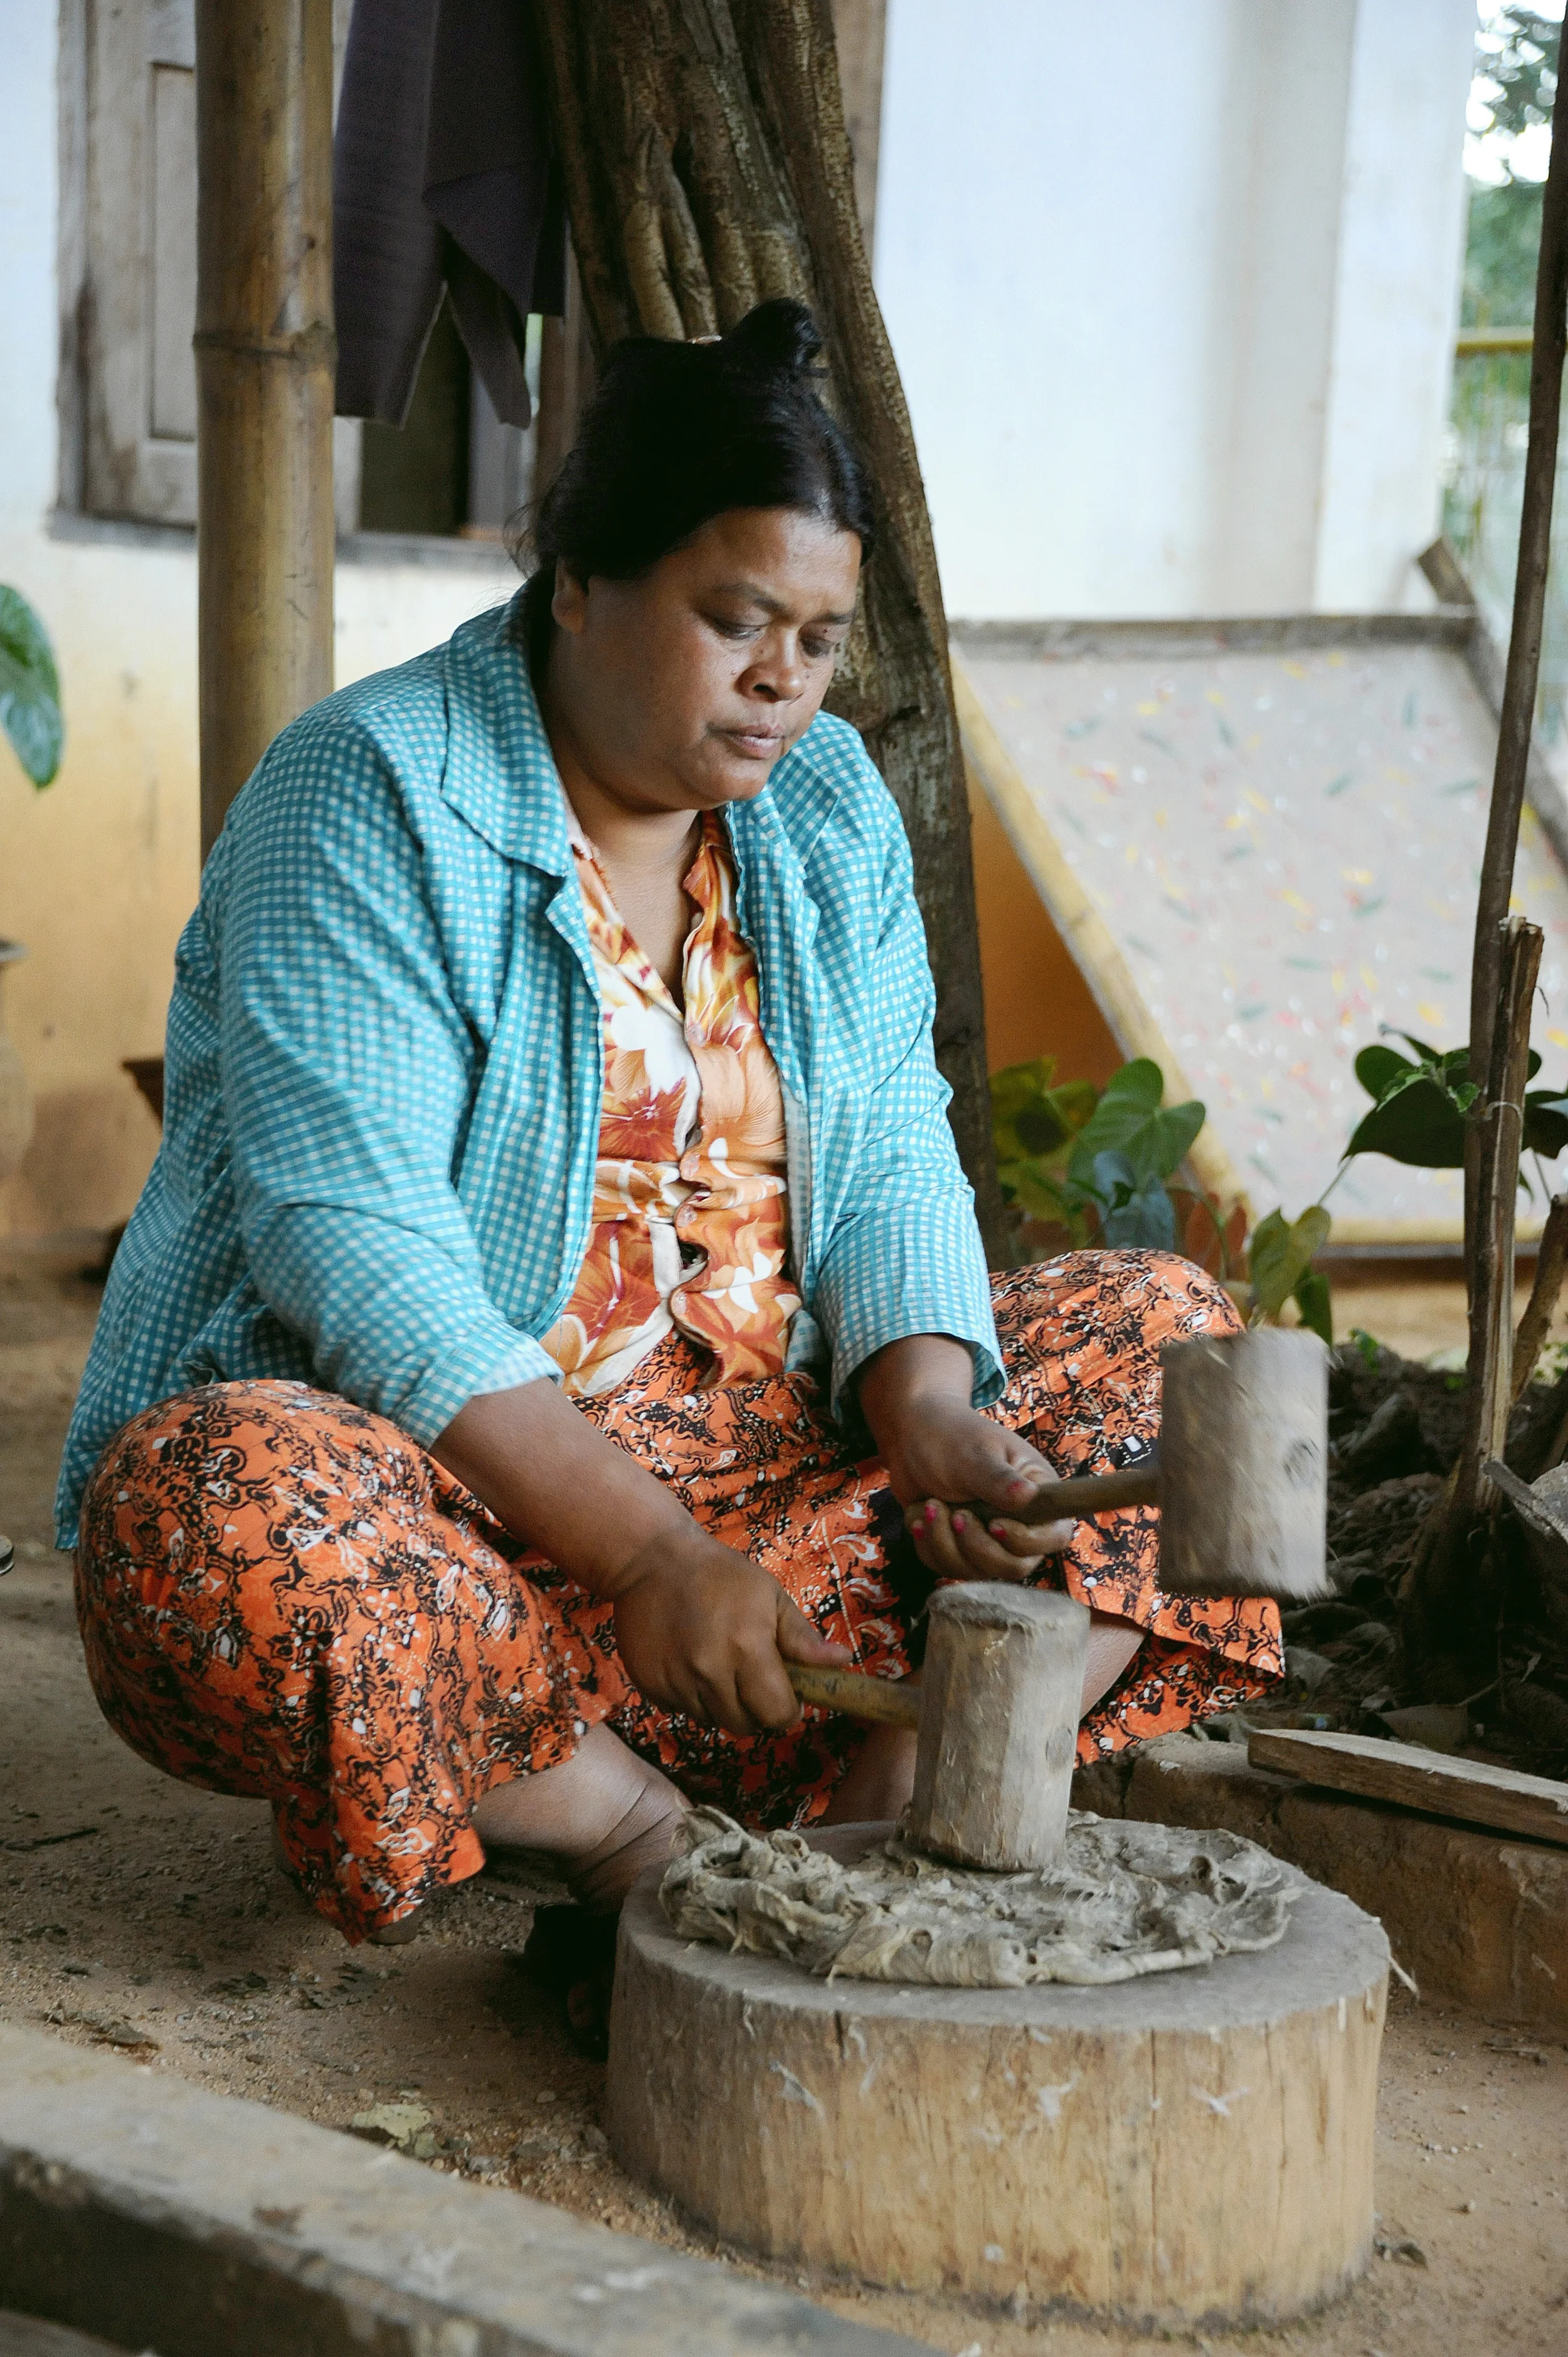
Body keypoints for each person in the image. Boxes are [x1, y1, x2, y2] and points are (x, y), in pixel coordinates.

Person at [58, 301, 1281, 2030]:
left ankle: (888, 1806)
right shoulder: (369, 791)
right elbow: (355, 1249)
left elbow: (885, 1153)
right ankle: (638, 1842)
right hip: (485, 1531)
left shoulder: (828, 803)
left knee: (1168, 1339)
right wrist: (641, 1558)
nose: (783, 675)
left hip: (786, 1526)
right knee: (203, 1520)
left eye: (819, 634)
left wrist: (931, 1406)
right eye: (734, 619)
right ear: (576, 581)